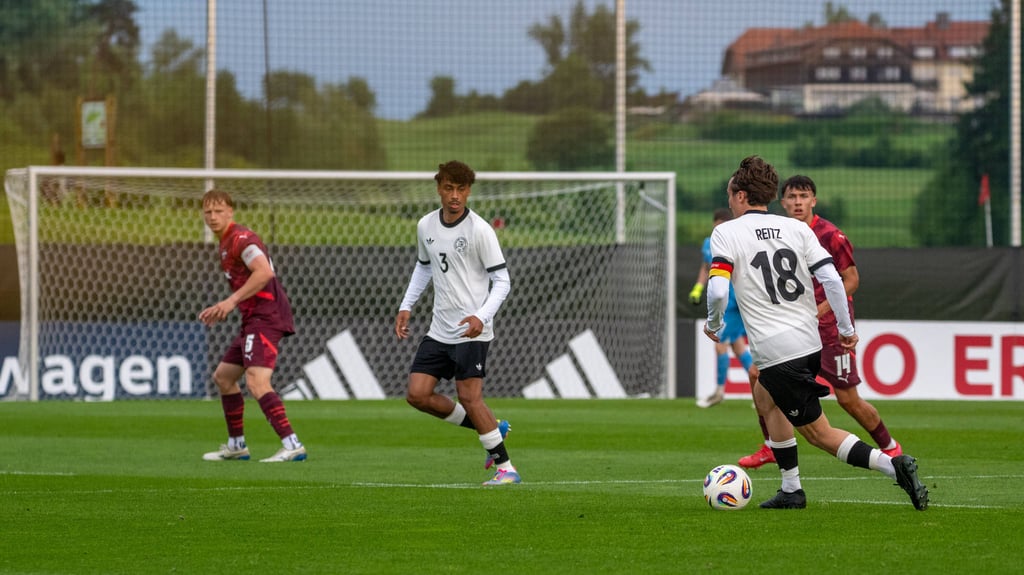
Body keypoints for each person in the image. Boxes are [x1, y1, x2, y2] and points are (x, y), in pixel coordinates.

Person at [703, 156, 927, 510]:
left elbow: (717, 290)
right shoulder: (796, 228)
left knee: (819, 433)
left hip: (779, 351)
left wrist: (714, 324)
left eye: (730, 194)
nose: (728, 200)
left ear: (742, 196)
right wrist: (846, 328)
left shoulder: (726, 232)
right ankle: (791, 489)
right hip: (808, 341)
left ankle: (895, 466)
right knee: (764, 395)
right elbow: (833, 280)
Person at [394, 160, 518, 486]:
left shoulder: (480, 230)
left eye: (461, 189)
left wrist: (481, 316)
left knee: (469, 398)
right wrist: (407, 305)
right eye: (449, 188)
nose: (455, 195)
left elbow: (502, 281)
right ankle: (490, 427)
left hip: (472, 328)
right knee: (417, 395)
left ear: (468, 191)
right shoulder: (425, 226)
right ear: (438, 187)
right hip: (439, 328)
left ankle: (506, 468)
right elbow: (424, 266)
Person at [198, 189, 307, 463]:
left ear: (231, 212)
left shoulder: (240, 239)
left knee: (257, 382)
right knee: (223, 378)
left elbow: (264, 271)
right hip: (252, 319)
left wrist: (230, 301)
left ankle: (292, 444)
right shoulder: (225, 243)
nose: (213, 216)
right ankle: (237, 446)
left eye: (219, 210)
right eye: (208, 211)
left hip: (266, 316)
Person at [689, 208, 753, 408]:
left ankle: (719, 391)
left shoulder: (736, 243)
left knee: (719, 345)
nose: (718, 228)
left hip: (734, 303)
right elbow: (705, 268)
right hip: (721, 304)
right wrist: (698, 288)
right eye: (716, 224)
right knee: (738, 347)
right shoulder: (708, 244)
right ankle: (763, 389)